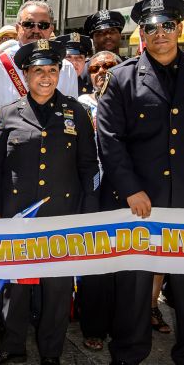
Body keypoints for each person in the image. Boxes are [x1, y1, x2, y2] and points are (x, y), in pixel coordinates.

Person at [96, 0, 184, 365]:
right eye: (152, 28)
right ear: (142, 33)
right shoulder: (122, 77)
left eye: (167, 26)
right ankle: (128, 354)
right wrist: (130, 190)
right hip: (141, 203)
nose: (160, 33)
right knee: (134, 285)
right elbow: (110, 141)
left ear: (179, 29)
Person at [0, 39, 99, 365]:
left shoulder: (76, 111)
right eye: (38, 71)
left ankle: (51, 353)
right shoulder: (7, 115)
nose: (45, 77)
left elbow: (89, 166)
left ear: (60, 72)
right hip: (18, 217)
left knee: (57, 290)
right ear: (26, 73)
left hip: (62, 216)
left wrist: (87, 213)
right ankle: (12, 346)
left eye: (52, 70)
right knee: (15, 287)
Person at [74, 50, 121, 352]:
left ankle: (121, 325)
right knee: (93, 261)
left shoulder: (131, 100)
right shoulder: (79, 105)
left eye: (109, 66)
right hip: (89, 191)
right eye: (95, 67)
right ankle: (93, 326)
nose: (102, 71)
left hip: (124, 189)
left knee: (123, 262)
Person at [0, 1, 79, 118]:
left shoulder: (67, 68)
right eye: (28, 24)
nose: (36, 30)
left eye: (43, 25)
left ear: (51, 29)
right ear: (18, 28)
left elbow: (71, 114)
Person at [80, 10, 126, 95]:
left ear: (120, 35)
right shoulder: (82, 70)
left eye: (112, 31)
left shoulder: (131, 66)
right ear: (93, 39)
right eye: (100, 33)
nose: (108, 36)